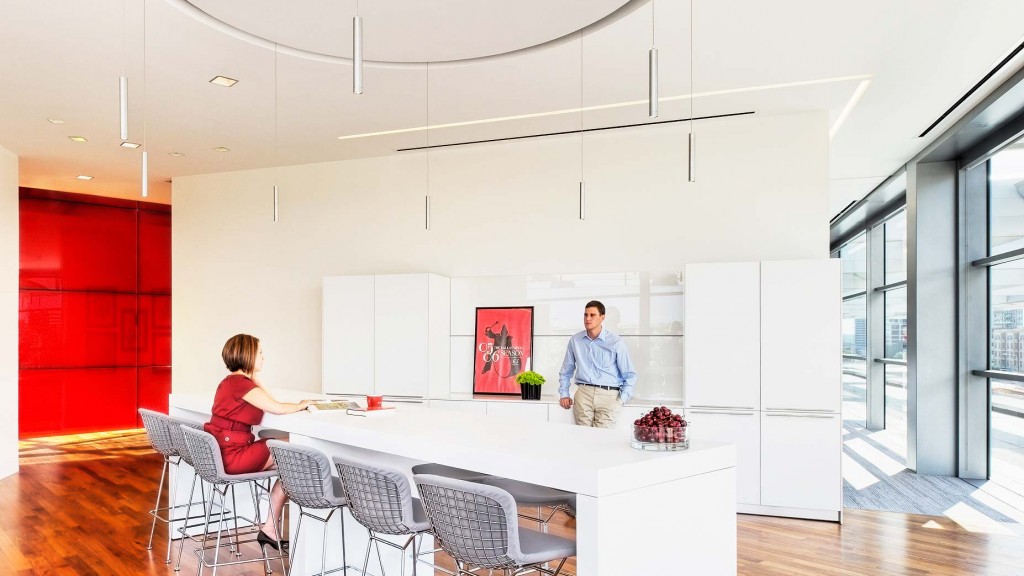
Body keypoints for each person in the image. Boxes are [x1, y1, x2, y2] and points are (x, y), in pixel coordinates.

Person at [204, 334, 313, 551]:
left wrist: (252, 373)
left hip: (224, 453)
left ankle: (270, 529)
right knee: (294, 455)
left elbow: (265, 397)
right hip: (232, 456)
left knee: (289, 457)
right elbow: (277, 407)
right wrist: (302, 404)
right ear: (248, 354)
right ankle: (272, 528)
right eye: (260, 352)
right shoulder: (239, 384)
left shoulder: (232, 382)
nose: (264, 357)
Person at [558, 300, 637, 428]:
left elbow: (630, 375)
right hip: (583, 394)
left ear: (602, 317)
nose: (587, 318)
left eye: (592, 315)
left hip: (609, 396)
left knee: (602, 440)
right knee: (582, 438)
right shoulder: (575, 340)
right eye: (585, 315)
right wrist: (564, 393)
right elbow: (566, 370)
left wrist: (621, 400)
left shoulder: (616, 342)